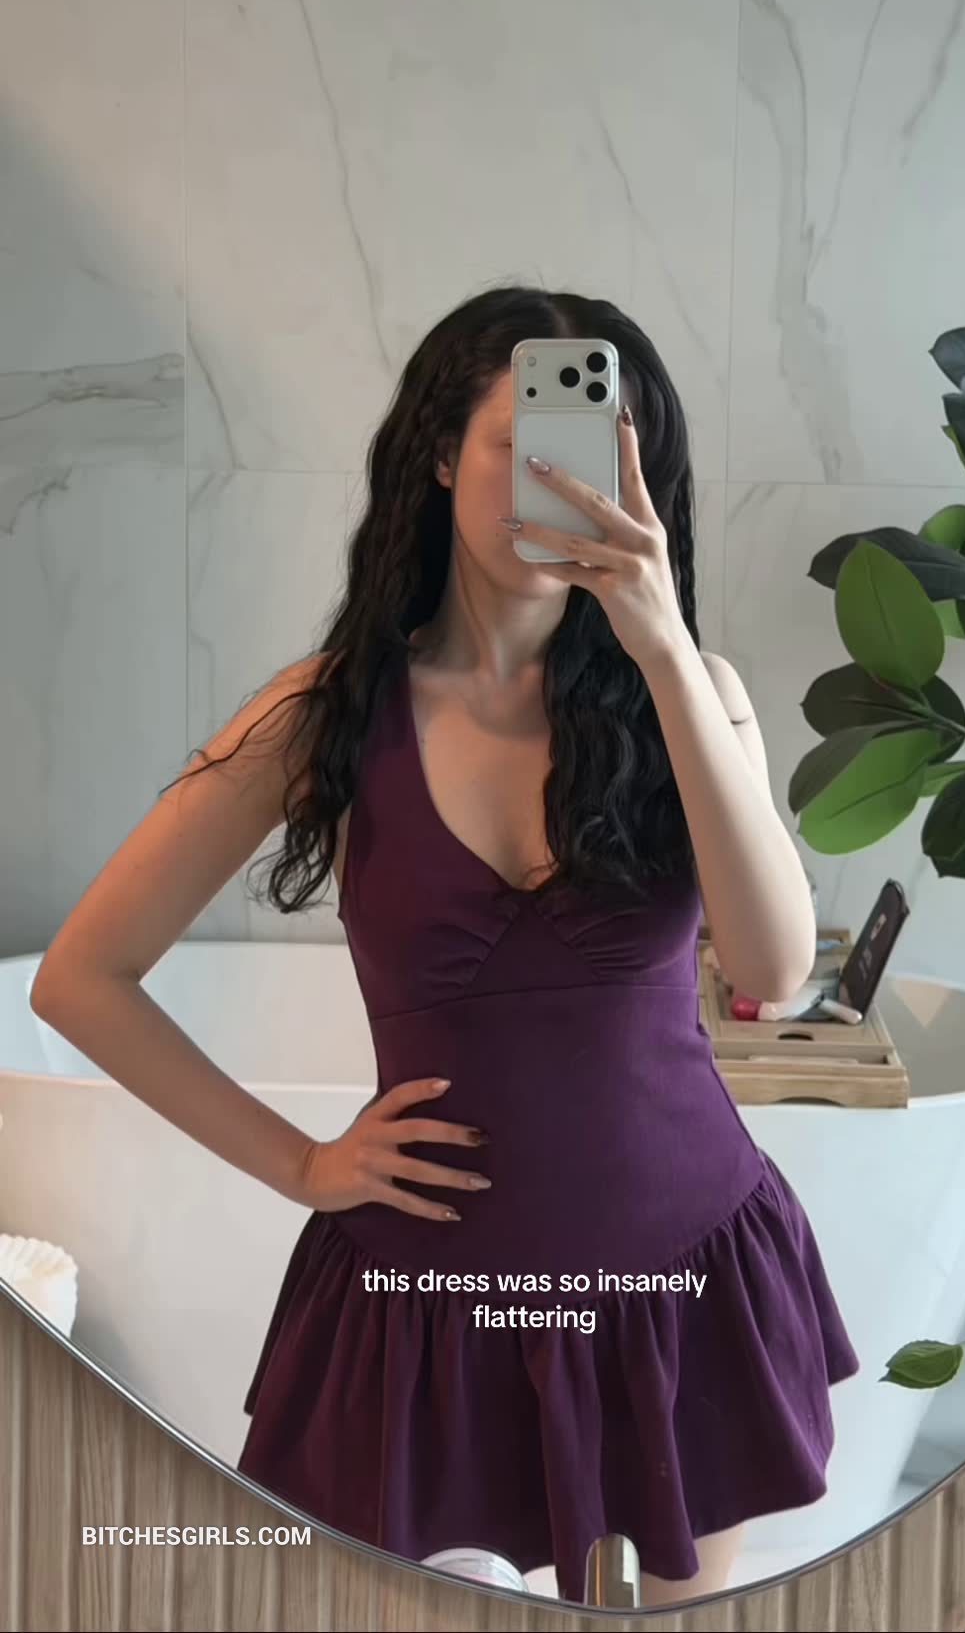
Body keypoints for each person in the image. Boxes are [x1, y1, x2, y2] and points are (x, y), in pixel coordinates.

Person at [31, 284, 858, 1607]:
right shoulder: (326, 714)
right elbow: (82, 977)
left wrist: (661, 647)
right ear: (436, 454)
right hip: (424, 1303)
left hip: (679, 1281)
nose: (566, 485)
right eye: (525, 446)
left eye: (603, 454)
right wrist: (303, 1164)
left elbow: (770, 970)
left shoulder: (695, 697)